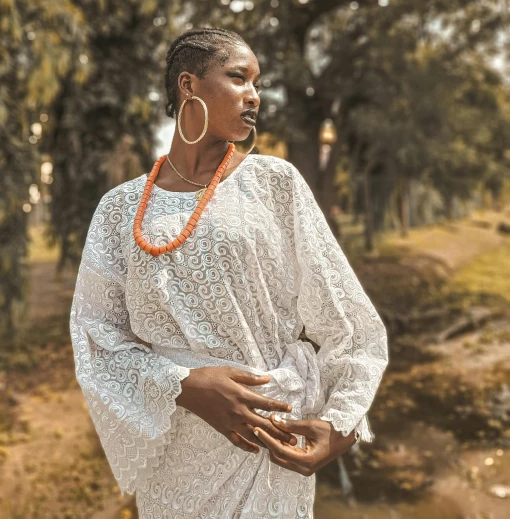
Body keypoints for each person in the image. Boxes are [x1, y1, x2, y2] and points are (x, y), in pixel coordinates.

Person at [69, 27, 389, 519]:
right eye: (238, 77)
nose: (254, 95)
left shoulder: (274, 183)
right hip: (174, 460)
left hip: (267, 440)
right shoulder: (120, 209)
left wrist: (340, 424)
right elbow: (96, 335)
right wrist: (185, 385)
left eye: (258, 83)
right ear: (188, 85)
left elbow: (350, 322)